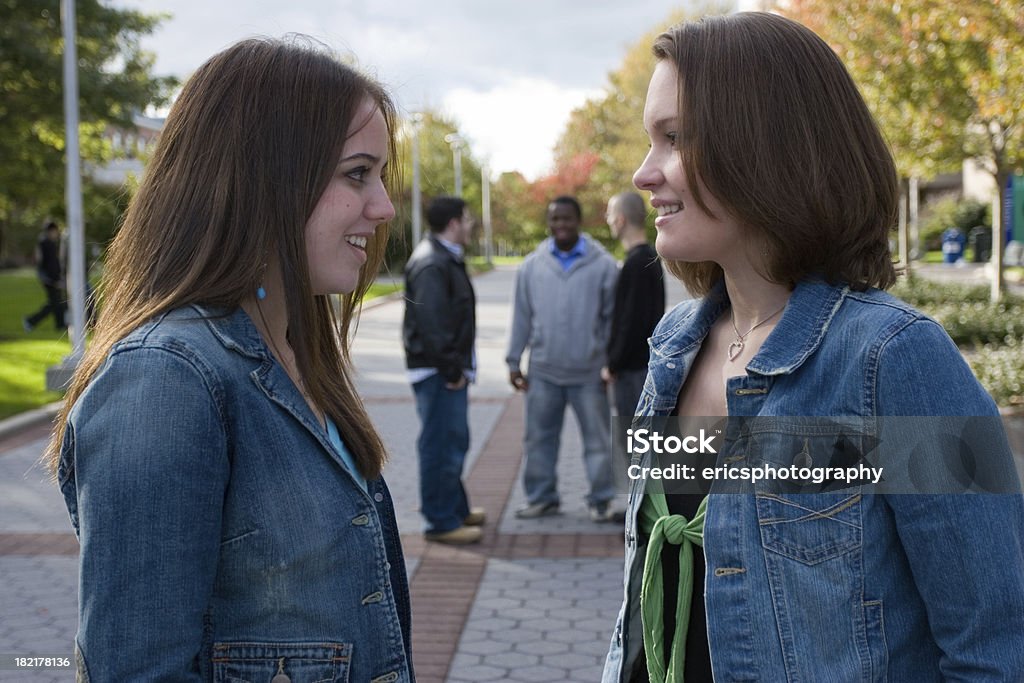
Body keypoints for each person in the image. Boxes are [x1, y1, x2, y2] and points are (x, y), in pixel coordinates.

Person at [604, 12, 1024, 683]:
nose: (643, 172)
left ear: (765, 147)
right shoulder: (673, 350)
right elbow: (653, 600)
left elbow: (998, 647)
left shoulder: (895, 360)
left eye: (674, 139)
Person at [47, 38, 415, 682]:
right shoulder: (165, 380)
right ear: (266, 175)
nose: (383, 207)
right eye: (357, 173)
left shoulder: (295, 352)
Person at [506, 195, 621, 522]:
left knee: (597, 442)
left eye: (567, 219)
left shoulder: (603, 265)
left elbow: (611, 321)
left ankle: (601, 500)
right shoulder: (531, 266)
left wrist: (609, 362)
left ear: (579, 221)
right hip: (543, 371)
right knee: (539, 439)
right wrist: (513, 361)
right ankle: (542, 498)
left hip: (589, 373)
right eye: (555, 219)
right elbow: (521, 318)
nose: (561, 226)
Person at [403, 195, 485, 545]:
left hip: (443, 371)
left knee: (453, 441)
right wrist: (453, 371)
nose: (470, 225)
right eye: (467, 219)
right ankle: (440, 521)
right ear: (453, 223)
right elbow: (434, 325)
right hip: (439, 374)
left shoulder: (442, 258)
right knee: (441, 446)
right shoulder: (432, 264)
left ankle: (455, 508)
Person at [603, 191, 666, 419]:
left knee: (632, 446)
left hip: (632, 372)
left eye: (610, 215)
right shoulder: (649, 257)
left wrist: (612, 364)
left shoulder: (635, 264)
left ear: (621, 219)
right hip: (643, 366)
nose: (608, 220)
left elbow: (630, 322)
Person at [23, 220, 66, 331]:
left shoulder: (45, 243)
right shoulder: (47, 244)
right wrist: (55, 279)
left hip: (49, 278)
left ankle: (60, 325)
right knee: (54, 303)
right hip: (49, 279)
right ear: (51, 231)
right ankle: (31, 321)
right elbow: (50, 264)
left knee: (55, 302)